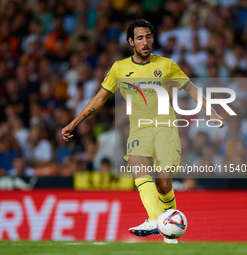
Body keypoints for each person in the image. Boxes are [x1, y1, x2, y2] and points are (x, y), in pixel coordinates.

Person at [62, 19, 224, 244]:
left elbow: (191, 89)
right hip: (139, 130)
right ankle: (154, 220)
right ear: (131, 41)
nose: (145, 41)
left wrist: (211, 112)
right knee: (138, 167)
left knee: (164, 183)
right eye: (139, 38)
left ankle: (169, 233)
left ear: (153, 38)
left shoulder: (167, 65)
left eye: (148, 36)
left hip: (165, 128)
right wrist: (74, 122)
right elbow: (99, 98)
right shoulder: (119, 68)